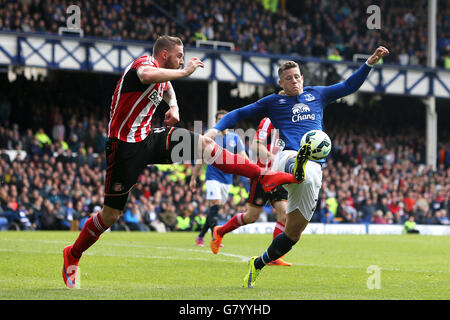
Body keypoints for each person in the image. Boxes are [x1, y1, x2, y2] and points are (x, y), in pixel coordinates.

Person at [61, 35, 299, 288]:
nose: (182, 60)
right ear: (164, 55)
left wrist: (173, 105)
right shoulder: (144, 62)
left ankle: (262, 176)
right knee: (110, 215)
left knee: (206, 146)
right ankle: (73, 253)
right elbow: (145, 75)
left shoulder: (161, 74)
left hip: (149, 138)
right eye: (179, 56)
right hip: (124, 147)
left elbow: (164, 85)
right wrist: (185, 72)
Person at [205, 46, 390, 288]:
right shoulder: (273, 102)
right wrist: (214, 130)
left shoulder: (317, 95)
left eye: (298, 76)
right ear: (280, 82)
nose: (295, 81)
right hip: (287, 155)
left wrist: (369, 63)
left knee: (293, 234)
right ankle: (295, 166)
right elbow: (239, 113)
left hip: (313, 169)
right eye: (289, 78)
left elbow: (348, 86)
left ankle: (259, 263)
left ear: (302, 77)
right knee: (299, 162)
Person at [204, 117, 293, 266]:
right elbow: (256, 146)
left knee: (284, 215)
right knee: (251, 217)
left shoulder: (293, 121)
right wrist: (273, 158)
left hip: (279, 176)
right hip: (263, 175)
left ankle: (274, 256)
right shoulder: (268, 120)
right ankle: (220, 231)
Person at [191, 110, 248, 246]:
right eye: (219, 119)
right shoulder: (211, 138)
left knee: (214, 209)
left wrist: (253, 171)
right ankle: (215, 237)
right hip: (212, 177)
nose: (222, 121)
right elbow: (201, 159)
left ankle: (200, 235)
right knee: (215, 205)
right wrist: (193, 177)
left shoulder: (235, 138)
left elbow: (243, 157)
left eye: (224, 119)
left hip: (227, 179)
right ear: (216, 122)